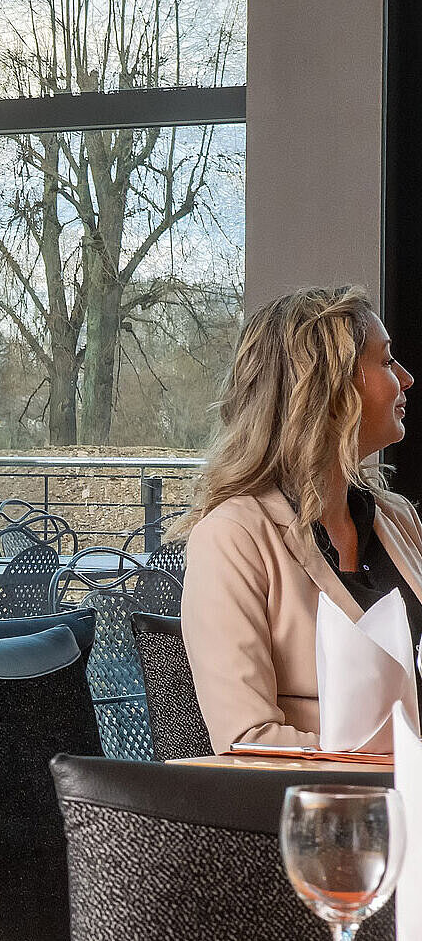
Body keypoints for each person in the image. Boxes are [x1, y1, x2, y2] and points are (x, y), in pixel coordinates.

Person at [182, 286, 421, 751]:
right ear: (331, 389)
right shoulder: (231, 538)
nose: (406, 379)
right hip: (323, 798)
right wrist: (404, 763)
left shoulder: (398, 519)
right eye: (387, 361)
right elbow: (247, 742)